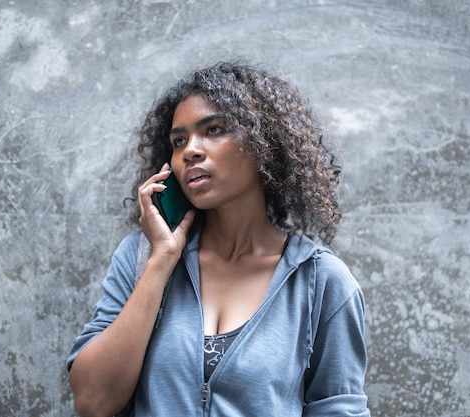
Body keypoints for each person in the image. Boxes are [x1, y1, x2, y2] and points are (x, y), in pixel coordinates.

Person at [67, 61, 370, 417]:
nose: (190, 150)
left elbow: (338, 409)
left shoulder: (322, 282)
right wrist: (161, 260)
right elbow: (92, 402)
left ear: (264, 143)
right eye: (178, 141)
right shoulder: (140, 257)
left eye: (214, 129)